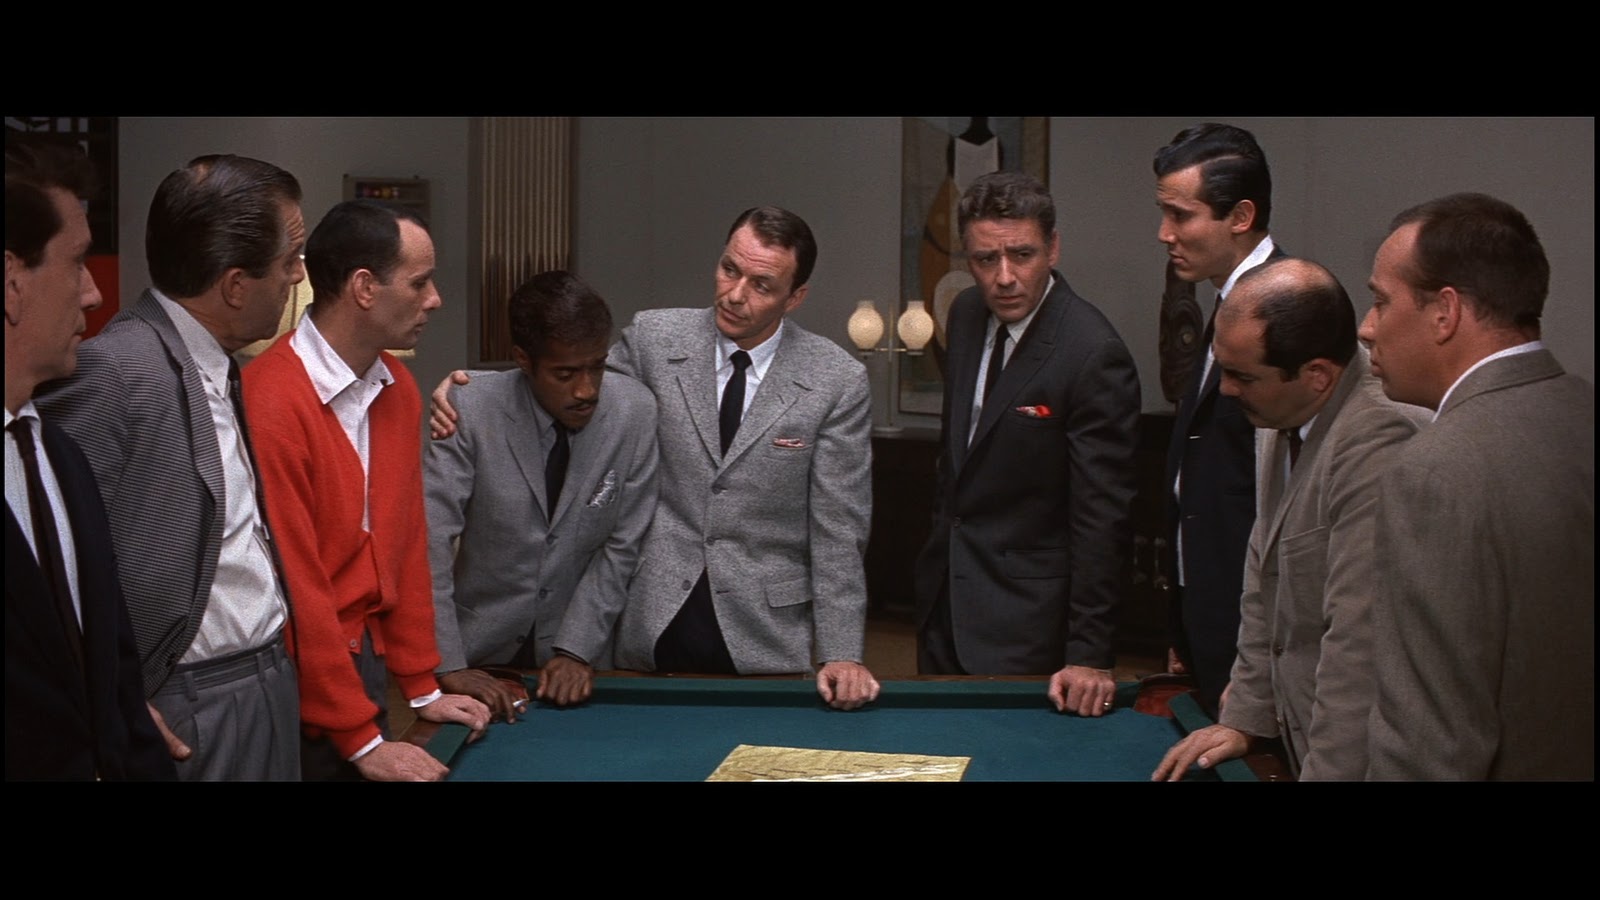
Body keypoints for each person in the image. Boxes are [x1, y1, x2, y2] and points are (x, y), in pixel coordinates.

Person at [433, 207, 880, 710]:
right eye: (729, 269)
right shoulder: (653, 337)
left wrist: (842, 652)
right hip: (648, 612)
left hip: (766, 632)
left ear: (794, 297)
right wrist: (472, 390)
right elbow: (569, 382)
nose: (735, 294)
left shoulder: (836, 380)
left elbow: (839, 529)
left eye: (761, 285)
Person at [36, 153, 304, 780]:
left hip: (263, 681)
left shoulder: (215, 363)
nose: (298, 275)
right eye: (290, 258)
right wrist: (108, 694)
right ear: (235, 285)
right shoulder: (116, 370)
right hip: (192, 701)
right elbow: (49, 561)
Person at [1152, 258, 1423, 781]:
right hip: (1295, 729)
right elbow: (1265, 571)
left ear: (1316, 376)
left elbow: (1357, 649)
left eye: (1242, 376)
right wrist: (1246, 717)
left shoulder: (1379, 441)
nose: (1225, 390)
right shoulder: (1278, 407)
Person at [246, 200, 489, 781]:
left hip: (365, 664)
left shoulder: (398, 386)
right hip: (291, 678)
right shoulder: (269, 397)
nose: (435, 300)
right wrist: (360, 740)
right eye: (420, 282)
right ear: (363, 288)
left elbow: (404, 547)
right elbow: (297, 586)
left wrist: (423, 685)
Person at [1361, 193, 1593, 780]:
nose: (1367, 328)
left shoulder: (1433, 473)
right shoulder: (1583, 411)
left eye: (1381, 302)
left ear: (1445, 312)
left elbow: (1427, 747)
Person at [912, 170, 1140, 716]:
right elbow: (957, 459)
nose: (1004, 277)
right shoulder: (965, 314)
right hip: (944, 603)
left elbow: (1102, 518)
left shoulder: (1092, 351)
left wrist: (1089, 653)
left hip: (1027, 621)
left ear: (1053, 248)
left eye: (1022, 255)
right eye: (985, 259)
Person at [5, 133, 174, 780]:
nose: (94, 294)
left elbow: (114, 683)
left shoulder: (62, 456)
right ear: (10, 282)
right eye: (76, 262)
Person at [426, 271, 658, 717]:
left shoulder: (635, 412)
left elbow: (623, 545)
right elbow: (429, 542)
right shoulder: (469, 408)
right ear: (523, 360)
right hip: (476, 652)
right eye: (565, 374)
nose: (586, 390)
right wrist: (448, 662)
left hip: (583, 663)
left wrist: (576, 649)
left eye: (597, 367)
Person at [1154, 123, 1281, 713]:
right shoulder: (1229, 298)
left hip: (1256, 632)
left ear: (1241, 216)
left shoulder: (1282, 306)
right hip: (1210, 616)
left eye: (1180, 215)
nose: (1165, 233)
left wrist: (1257, 662)